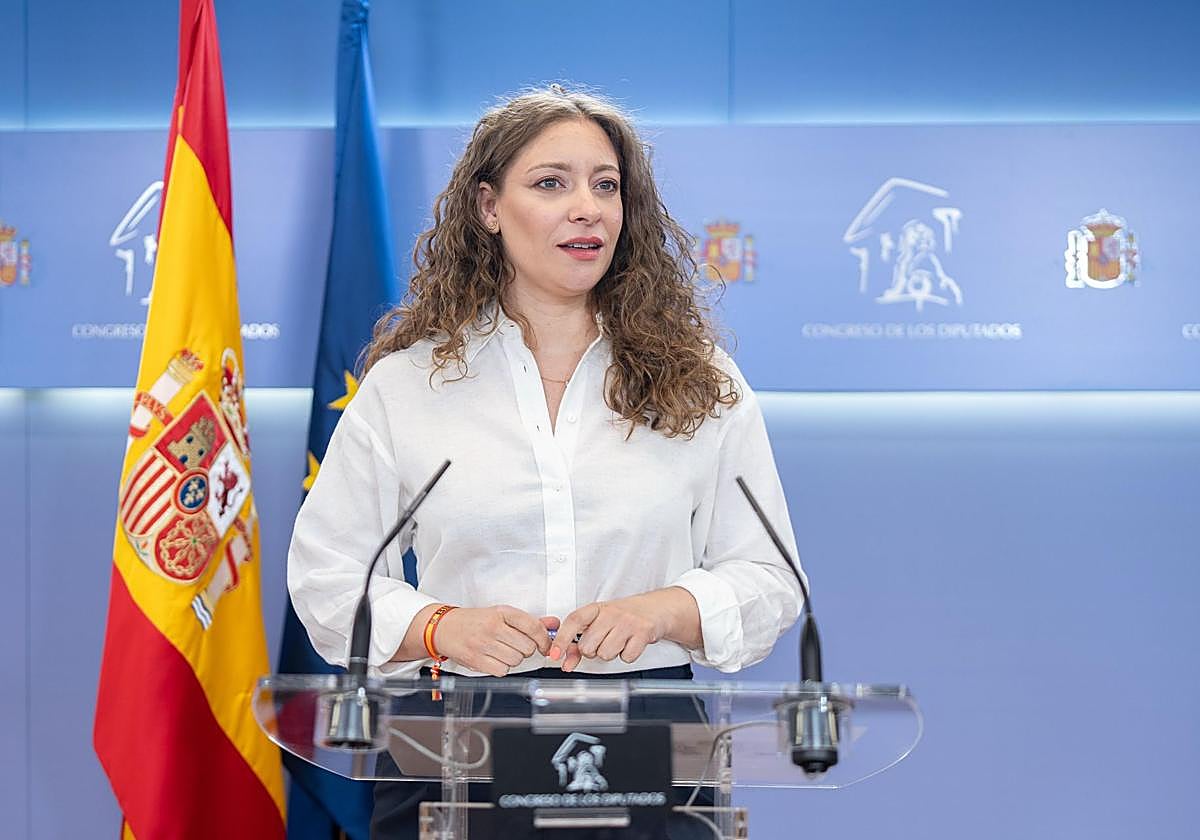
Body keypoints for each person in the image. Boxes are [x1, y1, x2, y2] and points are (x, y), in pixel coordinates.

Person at [288, 85, 804, 837]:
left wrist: (662, 611)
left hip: (652, 733)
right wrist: (439, 626)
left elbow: (769, 576)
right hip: (458, 732)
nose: (587, 208)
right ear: (488, 207)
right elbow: (328, 575)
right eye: (551, 183)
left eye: (606, 186)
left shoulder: (703, 381)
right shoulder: (409, 384)